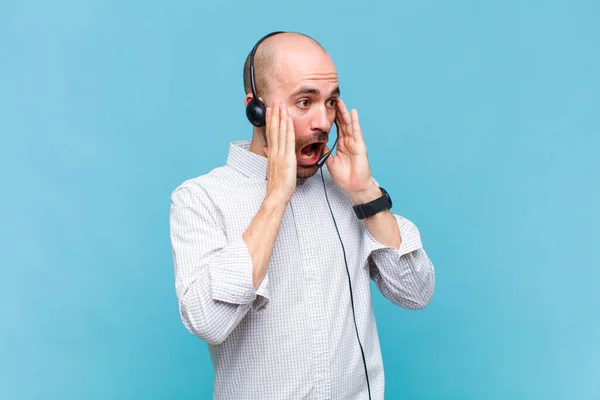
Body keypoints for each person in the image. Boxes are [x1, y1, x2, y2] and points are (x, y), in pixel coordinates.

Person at [169, 31, 435, 400]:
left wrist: (365, 194)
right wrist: (276, 198)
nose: (323, 122)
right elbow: (208, 322)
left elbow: (416, 292)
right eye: (304, 101)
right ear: (256, 109)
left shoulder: (349, 189)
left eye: (330, 103)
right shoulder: (201, 198)